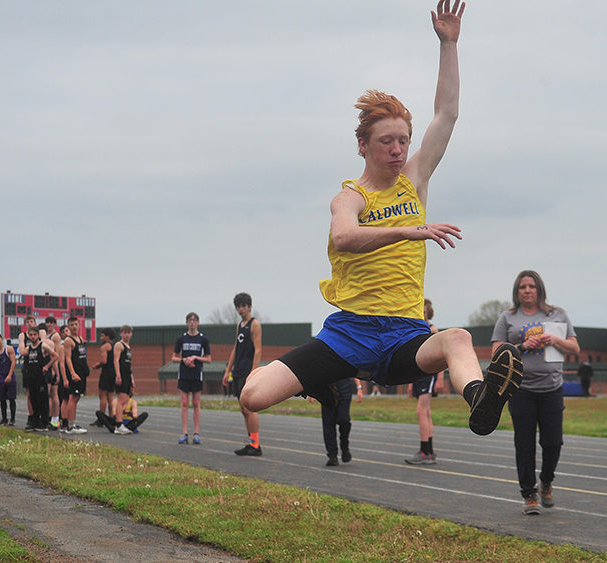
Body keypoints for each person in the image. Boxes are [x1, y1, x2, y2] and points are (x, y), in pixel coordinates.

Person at [239, 1, 523, 442]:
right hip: (351, 331)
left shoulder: (414, 180)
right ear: (362, 146)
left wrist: (448, 45)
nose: (397, 150)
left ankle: (481, 399)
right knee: (252, 396)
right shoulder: (350, 195)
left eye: (403, 141)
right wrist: (408, 231)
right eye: (386, 141)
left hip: (405, 333)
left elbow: (447, 113)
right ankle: (322, 382)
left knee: (458, 339)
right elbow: (345, 237)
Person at [491, 270, 579, 515]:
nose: (527, 290)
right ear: (516, 292)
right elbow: (497, 353)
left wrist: (555, 341)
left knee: (553, 442)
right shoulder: (507, 317)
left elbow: (575, 348)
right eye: (522, 287)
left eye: (531, 286)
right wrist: (521, 346)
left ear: (539, 289)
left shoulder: (557, 314)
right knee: (524, 443)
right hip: (520, 390)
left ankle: (547, 481)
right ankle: (529, 494)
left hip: (551, 387)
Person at [225, 293, 264, 456]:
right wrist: (228, 370)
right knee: (243, 409)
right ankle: (251, 442)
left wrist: (253, 372)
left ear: (249, 306)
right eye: (238, 306)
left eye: (243, 306)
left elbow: (258, 349)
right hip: (238, 370)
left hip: (248, 370)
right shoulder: (240, 325)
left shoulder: (255, 324)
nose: (240, 309)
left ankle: (256, 445)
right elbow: (236, 348)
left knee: (249, 408)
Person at [405, 299, 440, 465]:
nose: (421, 314)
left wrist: (439, 378)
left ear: (428, 313)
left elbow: (441, 356)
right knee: (425, 412)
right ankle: (429, 450)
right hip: (418, 375)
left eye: (424, 312)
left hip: (429, 375)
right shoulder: (415, 330)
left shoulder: (432, 331)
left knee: (421, 411)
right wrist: (410, 382)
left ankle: (425, 450)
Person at [172, 312, 211, 445]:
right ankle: (184, 433)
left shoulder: (203, 339)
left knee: (195, 403)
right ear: (187, 323)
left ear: (198, 322)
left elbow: (209, 359)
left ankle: (196, 433)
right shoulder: (181, 339)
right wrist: (184, 360)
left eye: (194, 320)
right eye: (189, 320)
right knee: (184, 402)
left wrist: (195, 358)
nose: (192, 323)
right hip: (184, 374)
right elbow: (174, 357)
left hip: (196, 375)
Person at [321, 378, 357, 466]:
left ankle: (344, 446)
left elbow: (356, 369)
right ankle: (332, 456)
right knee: (328, 425)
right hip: (327, 390)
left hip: (344, 388)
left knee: (344, 420)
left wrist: (359, 388)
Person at [21, 326, 50, 431]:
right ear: (28, 336)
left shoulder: (43, 346)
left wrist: (47, 366)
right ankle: (36, 421)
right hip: (31, 377)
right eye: (31, 335)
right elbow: (22, 352)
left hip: (41, 377)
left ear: (38, 335)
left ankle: (45, 423)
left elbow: (55, 355)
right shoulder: (28, 348)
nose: (33, 337)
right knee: (34, 400)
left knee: (43, 400)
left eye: (34, 335)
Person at [90, 327, 117, 427]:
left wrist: (97, 365)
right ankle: (111, 417)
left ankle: (101, 419)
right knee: (110, 397)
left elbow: (104, 361)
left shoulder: (105, 346)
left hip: (106, 373)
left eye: (102, 335)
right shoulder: (115, 346)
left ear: (107, 336)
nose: (100, 337)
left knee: (102, 396)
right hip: (113, 372)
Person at [111, 325, 135, 435]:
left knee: (125, 400)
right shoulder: (119, 345)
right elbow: (116, 360)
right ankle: (119, 424)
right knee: (121, 400)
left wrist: (132, 379)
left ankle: (120, 423)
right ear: (121, 333)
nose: (127, 335)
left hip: (127, 375)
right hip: (121, 375)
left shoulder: (129, 347)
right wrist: (118, 375)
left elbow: (129, 365)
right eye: (125, 332)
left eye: (129, 333)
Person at [0, 333, 17, 426]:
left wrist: (9, 375)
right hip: (1, 377)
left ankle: (13, 419)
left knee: (11, 398)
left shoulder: (9, 349)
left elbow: (13, 361)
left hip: (9, 375)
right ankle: (4, 418)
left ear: (1, 339)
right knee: (2, 399)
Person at [42, 316, 63, 430]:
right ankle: (50, 417)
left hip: (54, 366)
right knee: (48, 394)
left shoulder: (55, 336)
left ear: (54, 324)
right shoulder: (46, 336)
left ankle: (55, 418)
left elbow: (57, 353)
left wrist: (56, 370)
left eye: (51, 322)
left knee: (53, 394)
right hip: (49, 366)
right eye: (47, 322)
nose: (49, 324)